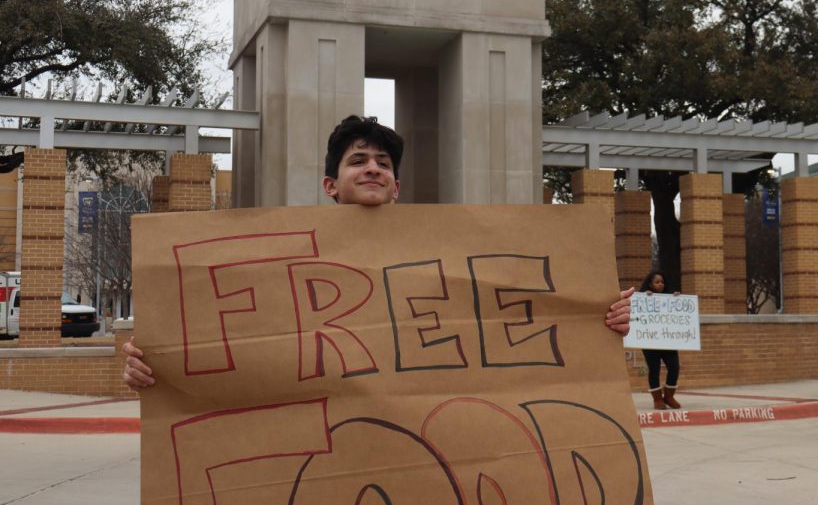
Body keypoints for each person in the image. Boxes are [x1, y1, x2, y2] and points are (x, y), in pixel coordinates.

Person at [122, 115, 633, 388]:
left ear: (396, 186)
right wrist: (153, 368)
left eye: (382, 163)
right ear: (330, 184)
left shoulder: (449, 255)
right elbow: (227, 346)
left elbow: (512, 324)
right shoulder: (280, 262)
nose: (372, 168)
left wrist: (596, 318)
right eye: (358, 160)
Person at [639, 269, 682, 411]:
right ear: (650, 284)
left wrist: (677, 300)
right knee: (654, 369)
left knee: (674, 367)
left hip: (667, 340)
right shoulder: (643, 297)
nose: (661, 284)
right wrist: (644, 298)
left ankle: (669, 396)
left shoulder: (669, 298)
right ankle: (657, 399)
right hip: (650, 341)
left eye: (662, 282)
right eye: (657, 282)